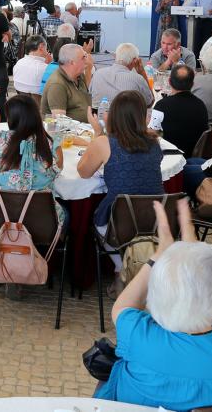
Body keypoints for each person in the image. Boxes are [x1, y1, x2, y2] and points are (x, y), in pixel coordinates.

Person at [95, 198, 212, 412]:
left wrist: (159, 254)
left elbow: (121, 306)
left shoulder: (138, 334)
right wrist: (196, 255)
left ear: (155, 298)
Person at [78, 91, 164, 283]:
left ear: (113, 115)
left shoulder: (104, 143)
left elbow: (83, 172)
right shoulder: (154, 140)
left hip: (115, 222)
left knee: (102, 222)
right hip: (154, 219)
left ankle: (120, 269)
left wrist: (98, 132)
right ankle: (136, 269)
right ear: (143, 116)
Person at [0, 94, 65, 222]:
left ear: (11, 119)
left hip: (3, 218)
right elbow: (58, 170)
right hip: (42, 222)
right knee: (67, 212)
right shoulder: (50, 144)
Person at [153, 65, 209, 157]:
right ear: (192, 84)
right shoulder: (201, 105)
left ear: (169, 82)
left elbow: (152, 134)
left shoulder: (161, 105)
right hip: (191, 155)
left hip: (167, 155)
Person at [41, 42, 93, 123]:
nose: (87, 61)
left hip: (85, 127)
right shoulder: (57, 85)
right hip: (71, 130)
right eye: (83, 57)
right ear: (72, 62)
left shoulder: (79, 76)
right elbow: (60, 123)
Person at [91, 43, 153, 108]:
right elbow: (150, 102)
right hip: (124, 114)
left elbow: (90, 96)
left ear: (115, 56)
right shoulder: (138, 79)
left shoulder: (97, 73)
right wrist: (142, 72)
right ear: (135, 61)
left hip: (97, 114)